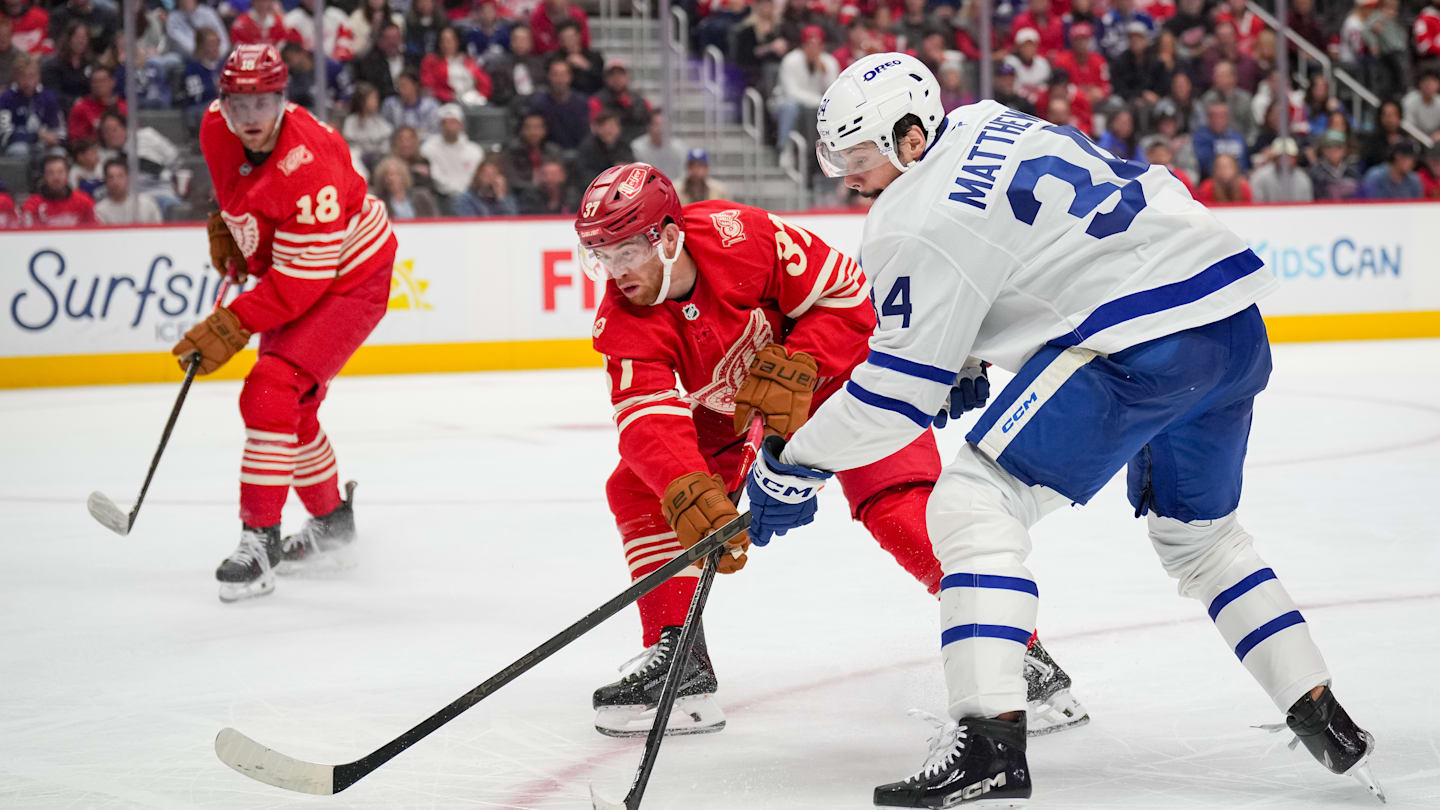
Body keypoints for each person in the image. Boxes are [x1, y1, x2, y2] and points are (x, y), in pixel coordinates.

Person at [746, 51, 1382, 808]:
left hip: (1138, 344)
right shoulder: (984, 119)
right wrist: (970, 357)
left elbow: (893, 400)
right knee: (1201, 539)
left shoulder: (906, 219)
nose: (846, 176)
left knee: (971, 507)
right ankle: (1321, 713)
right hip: (1231, 329)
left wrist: (794, 460)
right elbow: (1023, 251)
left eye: (856, 157)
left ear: (911, 139)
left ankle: (988, 744)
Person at [573, 162, 1087, 739]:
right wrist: (684, 484)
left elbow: (850, 296)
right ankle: (681, 662)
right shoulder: (623, 320)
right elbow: (647, 418)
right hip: (734, 415)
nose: (613, 273)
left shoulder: (743, 236)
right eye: (601, 256)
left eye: (624, 253)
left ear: (667, 237)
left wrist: (804, 362)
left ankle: (1020, 655)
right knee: (640, 487)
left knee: (900, 506)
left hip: (844, 380)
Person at [174, 43, 397, 603]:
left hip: (350, 276)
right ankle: (330, 525)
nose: (249, 117)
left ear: (283, 98)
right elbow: (236, 187)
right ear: (222, 100)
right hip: (302, 265)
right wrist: (231, 229)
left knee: (269, 389)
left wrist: (231, 323)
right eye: (238, 102)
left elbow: (303, 282)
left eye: (264, 102)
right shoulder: (214, 127)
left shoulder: (312, 164)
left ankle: (260, 543)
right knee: (286, 406)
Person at [773, 25, 837, 152]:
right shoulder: (791, 60)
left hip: (816, 105)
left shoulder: (829, 62)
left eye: (817, 45)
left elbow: (833, 94)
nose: (813, 49)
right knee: (790, 107)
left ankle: (829, 153)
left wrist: (824, 72)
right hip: (785, 102)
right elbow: (791, 93)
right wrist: (819, 101)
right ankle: (784, 149)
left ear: (822, 46)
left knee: (833, 110)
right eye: (809, 45)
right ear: (803, 46)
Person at [0, 52, 63, 155]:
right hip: (17, 145)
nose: (28, 82)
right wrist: (36, 135)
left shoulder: (48, 97)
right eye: (23, 76)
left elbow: (57, 131)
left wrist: (53, 138)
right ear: (16, 77)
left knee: (58, 153)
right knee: (19, 150)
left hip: (43, 145)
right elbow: (4, 135)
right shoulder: (6, 98)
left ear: (39, 77)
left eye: (31, 76)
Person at [419, 101, 483, 199]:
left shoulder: (475, 150)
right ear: (440, 125)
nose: (449, 126)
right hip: (441, 197)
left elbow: (475, 177)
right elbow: (435, 175)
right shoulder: (428, 148)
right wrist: (454, 190)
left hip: (470, 196)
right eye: (445, 122)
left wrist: (463, 192)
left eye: (453, 122)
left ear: (461, 125)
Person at [420, 25, 491, 105]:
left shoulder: (468, 61)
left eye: (449, 41)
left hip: (471, 102)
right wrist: (451, 97)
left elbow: (484, 83)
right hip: (443, 103)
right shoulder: (431, 61)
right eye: (442, 41)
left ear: (457, 42)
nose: (445, 45)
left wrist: (479, 97)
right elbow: (429, 88)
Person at [529, 58, 589, 150]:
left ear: (570, 77)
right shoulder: (539, 103)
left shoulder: (581, 102)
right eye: (555, 75)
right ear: (549, 76)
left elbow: (585, 134)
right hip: (548, 153)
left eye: (563, 75)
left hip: (578, 151)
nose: (559, 79)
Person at [21, 152, 96, 225]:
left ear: (68, 175)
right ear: (44, 177)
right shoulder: (33, 204)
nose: (56, 177)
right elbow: (28, 234)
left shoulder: (84, 201)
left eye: (60, 172)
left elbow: (94, 231)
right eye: (50, 173)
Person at [588, 58, 650, 143]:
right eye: (612, 75)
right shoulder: (597, 101)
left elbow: (650, 124)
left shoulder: (640, 101)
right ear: (606, 79)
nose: (617, 79)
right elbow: (596, 129)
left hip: (638, 145)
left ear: (627, 77)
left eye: (621, 74)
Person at [350, 20, 410, 100]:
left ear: (401, 39)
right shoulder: (368, 64)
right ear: (379, 40)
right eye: (388, 38)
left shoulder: (411, 59)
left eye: (395, 38)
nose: (392, 42)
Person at [93, 158, 162, 224]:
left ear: (128, 177)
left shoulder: (147, 204)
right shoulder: (99, 211)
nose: (115, 181)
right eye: (111, 177)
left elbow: (159, 231)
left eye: (120, 176)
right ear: (105, 180)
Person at [574, 108, 634, 184]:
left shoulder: (624, 144)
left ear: (619, 128)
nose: (608, 130)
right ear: (597, 129)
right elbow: (584, 174)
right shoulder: (588, 147)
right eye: (603, 126)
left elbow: (630, 168)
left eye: (612, 126)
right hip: (596, 187)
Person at [372, 153, 441, 218]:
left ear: (403, 176)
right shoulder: (379, 202)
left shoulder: (422, 196)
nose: (390, 178)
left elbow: (435, 218)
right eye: (386, 175)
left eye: (395, 174)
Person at [67, 64, 123, 142]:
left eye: (103, 81)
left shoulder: (123, 106)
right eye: (95, 82)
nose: (99, 85)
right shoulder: (81, 107)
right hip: (94, 150)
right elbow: (75, 140)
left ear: (112, 82)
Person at [343, 81, 395, 164]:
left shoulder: (380, 121)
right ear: (362, 101)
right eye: (373, 98)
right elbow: (350, 145)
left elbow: (385, 146)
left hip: (378, 158)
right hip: (358, 159)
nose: (376, 102)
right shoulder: (351, 121)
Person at [629, 109, 686, 181]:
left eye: (664, 124)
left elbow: (683, 176)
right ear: (649, 126)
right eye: (656, 124)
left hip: (674, 189)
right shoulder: (637, 148)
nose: (661, 129)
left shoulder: (680, 148)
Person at [1249, 138, 1313, 202]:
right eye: (1281, 156)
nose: (1285, 160)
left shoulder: (1303, 179)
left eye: (1290, 156)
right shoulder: (1260, 177)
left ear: (1295, 158)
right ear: (1274, 157)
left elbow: (1306, 207)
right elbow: (1257, 205)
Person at [380, 70, 439, 138]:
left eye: (404, 85)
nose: (400, 89)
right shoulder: (390, 105)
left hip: (425, 143)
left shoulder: (431, 105)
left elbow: (435, 131)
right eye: (399, 85)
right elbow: (385, 129)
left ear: (416, 85)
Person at [452, 156, 517, 215]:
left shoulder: (505, 198)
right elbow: (469, 224)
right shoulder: (465, 199)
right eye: (485, 174)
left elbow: (512, 221)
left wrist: (501, 196)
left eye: (493, 174)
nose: (489, 178)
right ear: (477, 175)